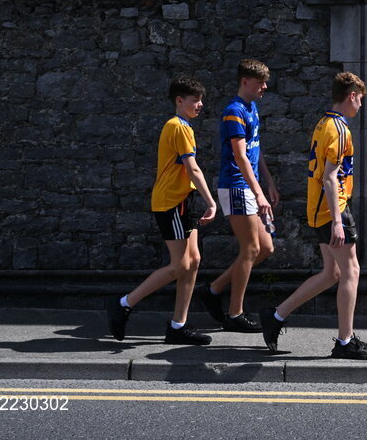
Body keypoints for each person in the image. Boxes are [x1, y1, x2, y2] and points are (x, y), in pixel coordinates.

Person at [260, 72, 367, 359]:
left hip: (319, 209)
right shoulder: (339, 129)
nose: (361, 106)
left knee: (332, 273)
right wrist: (338, 221)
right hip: (332, 208)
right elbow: (330, 178)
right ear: (351, 95)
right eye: (360, 99)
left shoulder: (323, 123)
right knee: (352, 271)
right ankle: (344, 341)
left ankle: (276, 316)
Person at [104, 76, 217, 345]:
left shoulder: (182, 126)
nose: (200, 105)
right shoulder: (178, 127)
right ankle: (124, 304)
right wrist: (211, 202)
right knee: (179, 265)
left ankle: (178, 326)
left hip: (182, 201)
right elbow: (193, 168)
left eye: (201, 100)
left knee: (194, 262)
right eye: (195, 100)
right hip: (171, 203)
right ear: (180, 101)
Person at [194, 58, 280, 333]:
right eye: (260, 82)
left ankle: (213, 289)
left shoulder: (251, 108)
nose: (265, 87)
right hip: (236, 186)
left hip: (249, 187)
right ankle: (235, 314)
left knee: (265, 248)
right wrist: (259, 193)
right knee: (251, 249)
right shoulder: (233, 111)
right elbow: (241, 157)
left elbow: (255, 150)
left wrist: (269, 183)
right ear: (245, 82)